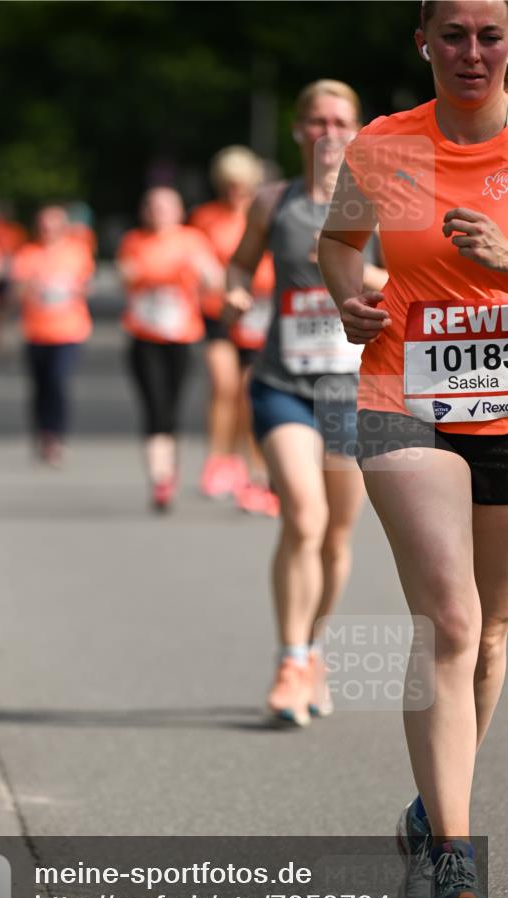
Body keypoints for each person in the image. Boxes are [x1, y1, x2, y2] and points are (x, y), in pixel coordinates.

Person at [318, 0, 507, 898]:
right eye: (454, 34)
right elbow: (337, 243)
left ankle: (432, 813)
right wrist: (351, 299)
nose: (471, 52)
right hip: (404, 399)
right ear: (423, 42)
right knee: (449, 614)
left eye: (491, 34)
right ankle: (454, 862)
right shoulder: (383, 147)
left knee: (492, 633)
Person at [223, 80, 387, 726]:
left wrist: (360, 275)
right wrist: (235, 291)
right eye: (316, 121)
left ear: (357, 130)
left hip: (352, 390)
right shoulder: (273, 202)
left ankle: (314, 648)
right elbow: (238, 265)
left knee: (336, 538)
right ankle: (290, 660)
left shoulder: (379, 201)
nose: (327, 132)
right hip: (282, 383)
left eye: (339, 120)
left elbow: (407, 280)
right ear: (297, 131)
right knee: (304, 515)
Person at [117, 186, 223, 510]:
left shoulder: (192, 240)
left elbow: (214, 281)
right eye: (151, 205)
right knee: (154, 406)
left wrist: (203, 271)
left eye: (165, 206)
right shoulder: (134, 241)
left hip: (182, 337)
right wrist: (139, 275)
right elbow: (126, 276)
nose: (158, 212)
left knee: (173, 407)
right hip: (144, 336)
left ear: (178, 211)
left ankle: (168, 469)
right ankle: (160, 476)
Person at [190, 148, 276, 510]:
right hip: (219, 312)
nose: (234, 193)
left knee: (247, 391)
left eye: (240, 186)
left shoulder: (263, 214)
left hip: (259, 312)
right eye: (228, 186)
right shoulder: (205, 217)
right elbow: (195, 253)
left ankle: (253, 465)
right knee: (223, 383)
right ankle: (219, 459)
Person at [11, 205, 95, 465]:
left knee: (59, 382)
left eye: (54, 225)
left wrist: (68, 290)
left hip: (69, 330)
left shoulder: (77, 252)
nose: (49, 230)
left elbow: (87, 286)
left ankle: (56, 434)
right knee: (40, 386)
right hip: (35, 331)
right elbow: (16, 291)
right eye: (44, 225)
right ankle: (42, 432)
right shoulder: (27, 253)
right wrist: (33, 289)